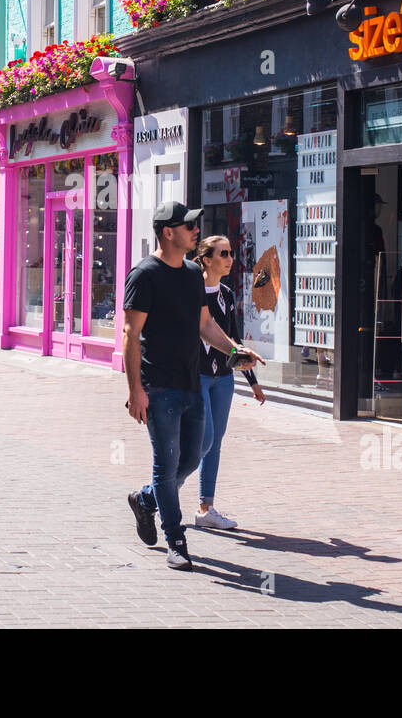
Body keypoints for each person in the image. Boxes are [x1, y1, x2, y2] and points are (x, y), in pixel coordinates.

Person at [123, 201, 262, 570]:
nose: (195, 230)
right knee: (166, 466)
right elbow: (130, 334)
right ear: (168, 233)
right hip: (158, 387)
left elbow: (205, 325)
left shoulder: (190, 275)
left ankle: (146, 500)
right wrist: (135, 390)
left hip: (191, 384)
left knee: (194, 454)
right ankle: (176, 540)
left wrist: (236, 350)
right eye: (187, 226)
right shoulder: (144, 275)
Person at [191, 236, 267, 530]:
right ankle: (158, 493)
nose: (230, 258)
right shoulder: (191, 292)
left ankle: (205, 508)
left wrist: (253, 382)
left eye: (231, 253)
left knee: (215, 443)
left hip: (222, 378)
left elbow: (234, 339)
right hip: (195, 375)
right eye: (223, 253)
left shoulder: (226, 294)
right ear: (207, 259)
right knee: (204, 439)